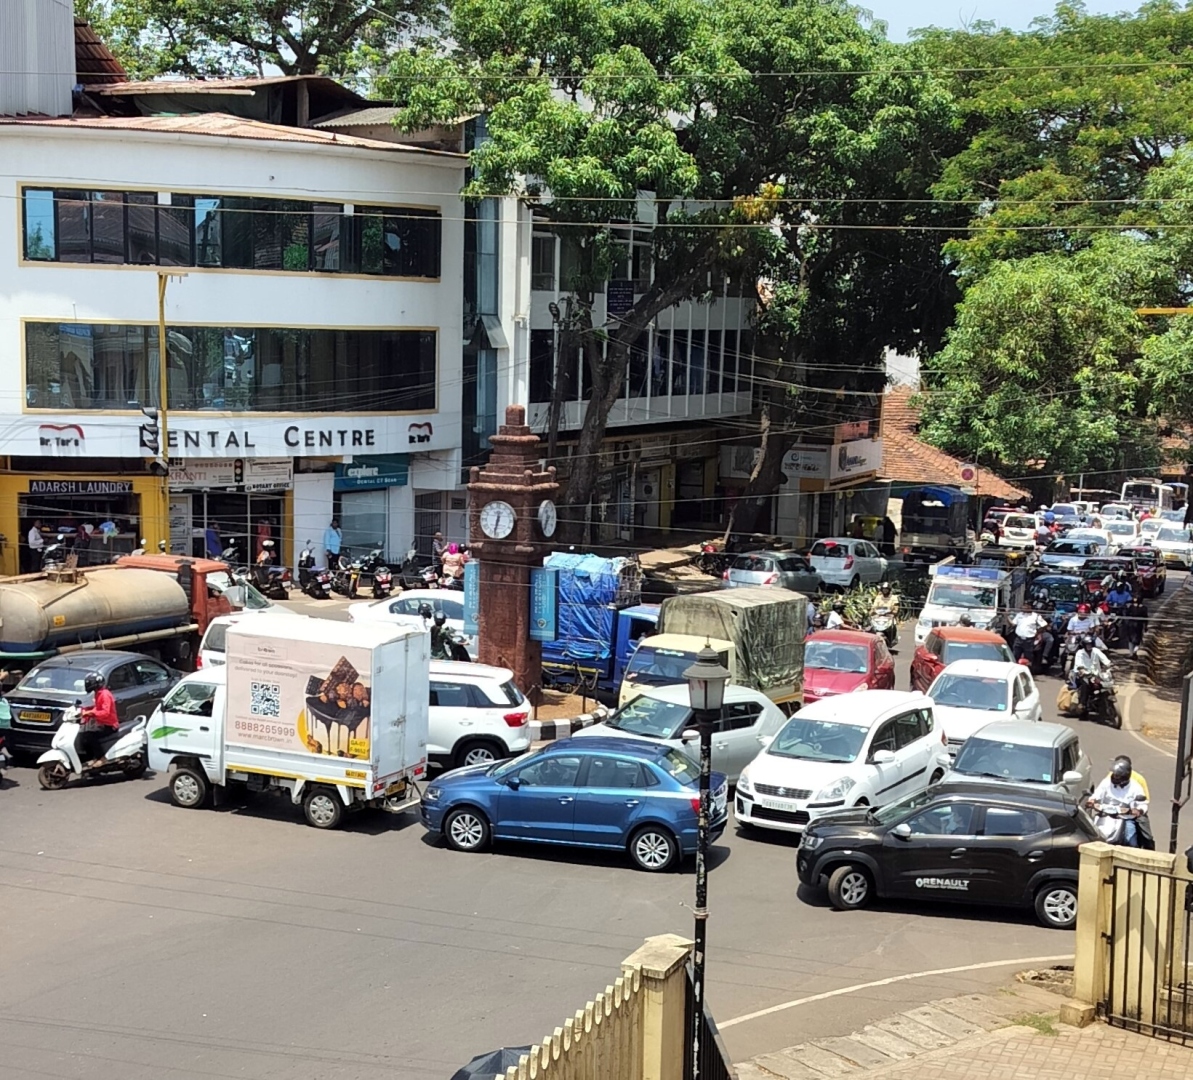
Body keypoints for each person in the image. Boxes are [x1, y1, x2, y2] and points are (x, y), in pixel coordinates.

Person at [1086, 756, 1149, 847]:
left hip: (1125, 818)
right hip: (1104, 816)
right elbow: (1097, 794)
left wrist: (1138, 810)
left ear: (1124, 776)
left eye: (1117, 776)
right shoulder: (1107, 782)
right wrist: (1092, 801)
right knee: (1090, 836)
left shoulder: (1136, 787)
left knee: (1131, 841)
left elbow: (1143, 804)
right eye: (1114, 774)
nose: (1114, 777)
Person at [79, 672, 119, 766]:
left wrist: (90, 713)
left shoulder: (104, 694)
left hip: (110, 725)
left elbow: (105, 712)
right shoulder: (98, 693)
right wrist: (85, 710)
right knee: (84, 736)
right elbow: (97, 708)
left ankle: (101, 758)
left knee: (90, 736)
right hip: (101, 724)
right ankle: (94, 758)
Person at [1072, 634, 1113, 716]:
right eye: (1087, 644)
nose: (1089, 646)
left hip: (1097, 675)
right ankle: (1082, 704)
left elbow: (1104, 659)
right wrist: (1082, 670)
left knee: (1107, 683)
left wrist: (1110, 665)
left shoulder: (1096, 651)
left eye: (1090, 644)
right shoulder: (1080, 653)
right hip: (1084, 675)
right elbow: (1078, 664)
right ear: (1084, 645)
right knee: (1085, 684)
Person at [1010, 601, 1049, 666]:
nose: (1023, 607)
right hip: (1018, 639)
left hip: (1029, 640)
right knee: (1015, 656)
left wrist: (1038, 632)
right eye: (1024, 605)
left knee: (1028, 658)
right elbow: (1013, 624)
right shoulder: (1019, 614)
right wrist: (1006, 617)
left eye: (1025, 605)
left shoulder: (1036, 616)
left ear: (1030, 607)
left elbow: (1044, 625)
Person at [1123, 592, 1148, 658]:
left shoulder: (1131, 607)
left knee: (1132, 640)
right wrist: (1145, 626)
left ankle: (1132, 653)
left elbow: (1126, 614)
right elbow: (1146, 618)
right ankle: (1134, 652)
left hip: (1133, 625)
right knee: (1137, 640)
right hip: (1137, 626)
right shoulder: (1144, 608)